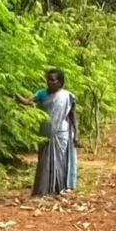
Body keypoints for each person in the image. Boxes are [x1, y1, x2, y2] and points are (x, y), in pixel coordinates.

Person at [18, 69, 78, 197]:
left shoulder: (66, 96)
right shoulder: (42, 94)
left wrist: (76, 135)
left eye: (53, 80)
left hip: (61, 132)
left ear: (60, 82)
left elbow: (72, 117)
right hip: (45, 131)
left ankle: (59, 188)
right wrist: (15, 95)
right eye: (48, 79)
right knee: (44, 161)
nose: (50, 82)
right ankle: (42, 190)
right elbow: (27, 102)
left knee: (61, 160)